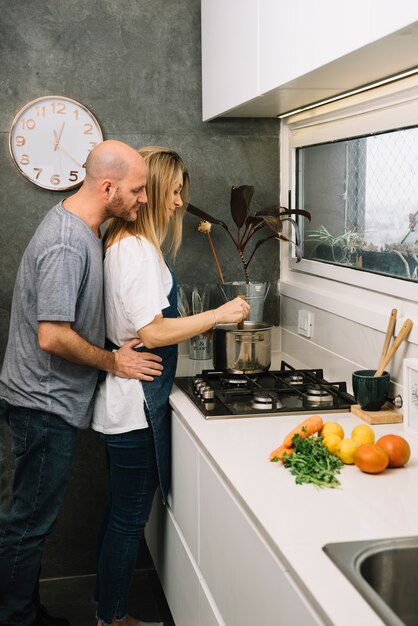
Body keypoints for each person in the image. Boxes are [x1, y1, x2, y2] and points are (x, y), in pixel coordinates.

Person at [0, 140, 165, 626]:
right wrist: (114, 362)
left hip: (46, 403)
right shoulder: (68, 242)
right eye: (137, 191)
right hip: (42, 404)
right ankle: (16, 619)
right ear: (108, 186)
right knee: (28, 525)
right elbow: (52, 337)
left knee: (31, 521)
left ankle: (24, 611)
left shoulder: (85, 230)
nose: (143, 200)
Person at [92, 146, 249, 626]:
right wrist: (219, 315)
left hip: (128, 405)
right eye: (174, 192)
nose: (180, 203)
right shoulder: (136, 250)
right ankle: (112, 618)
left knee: (123, 516)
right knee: (127, 520)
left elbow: (149, 325)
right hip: (133, 410)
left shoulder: (129, 245)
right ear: (156, 191)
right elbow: (152, 333)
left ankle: (107, 612)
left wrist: (196, 323)